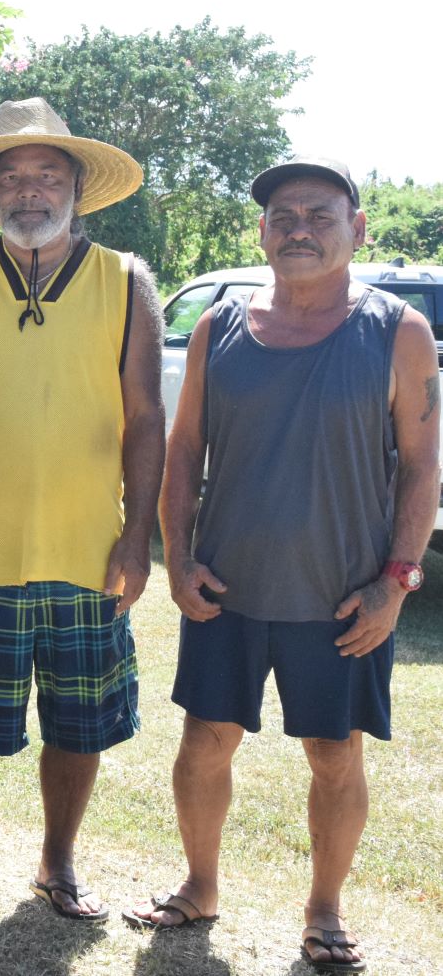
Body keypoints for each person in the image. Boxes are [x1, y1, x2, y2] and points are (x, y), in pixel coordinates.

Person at [126, 157, 438, 974]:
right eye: (282, 216)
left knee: (334, 756)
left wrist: (395, 582)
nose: (298, 228)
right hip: (226, 588)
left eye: (318, 215)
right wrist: (179, 557)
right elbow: (185, 445)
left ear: (356, 229)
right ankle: (199, 886)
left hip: (342, 597)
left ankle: (325, 909)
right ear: (261, 231)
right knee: (203, 745)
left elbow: (420, 467)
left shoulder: (396, 331)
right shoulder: (217, 326)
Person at [0, 98, 162, 922]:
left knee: (77, 725)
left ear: (75, 185)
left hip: (88, 549)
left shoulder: (123, 278)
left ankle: (57, 862)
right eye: (10, 176)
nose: (29, 190)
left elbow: (146, 416)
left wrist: (137, 536)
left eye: (47, 173)